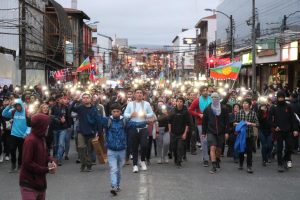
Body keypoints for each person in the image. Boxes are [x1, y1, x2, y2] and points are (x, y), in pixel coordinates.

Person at [19, 113, 57, 200]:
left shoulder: (42, 138)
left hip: (40, 183)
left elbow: (46, 154)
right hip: (28, 183)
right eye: (46, 125)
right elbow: (27, 163)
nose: (48, 127)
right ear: (40, 126)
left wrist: (51, 161)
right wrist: (46, 169)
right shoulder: (30, 140)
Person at [124, 88, 154, 173]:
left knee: (144, 145)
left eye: (141, 93)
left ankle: (143, 161)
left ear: (143, 95)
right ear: (134, 94)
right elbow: (125, 114)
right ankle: (135, 165)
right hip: (133, 127)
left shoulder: (146, 104)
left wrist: (146, 114)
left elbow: (151, 113)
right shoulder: (130, 104)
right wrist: (130, 114)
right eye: (137, 93)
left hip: (143, 127)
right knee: (134, 147)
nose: (139, 94)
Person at [100, 103, 127, 196]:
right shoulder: (107, 120)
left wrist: (147, 121)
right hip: (111, 149)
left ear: (120, 112)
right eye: (114, 111)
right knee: (113, 169)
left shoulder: (125, 120)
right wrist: (93, 106)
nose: (115, 113)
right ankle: (113, 186)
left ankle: (118, 185)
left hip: (122, 149)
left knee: (119, 170)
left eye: (117, 111)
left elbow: (134, 125)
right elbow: (97, 118)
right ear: (111, 112)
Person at [269, 91, 299, 172]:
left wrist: (295, 129)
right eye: (279, 97)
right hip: (279, 131)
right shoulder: (273, 107)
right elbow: (269, 120)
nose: (281, 99)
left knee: (290, 147)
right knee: (279, 148)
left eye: (282, 97)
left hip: (288, 130)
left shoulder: (288, 106)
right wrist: (275, 127)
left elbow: (293, 119)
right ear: (277, 97)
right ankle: (280, 164)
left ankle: (284, 159)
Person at [71, 93, 101, 172]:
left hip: (91, 132)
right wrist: (75, 100)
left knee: (90, 150)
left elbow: (98, 121)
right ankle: (84, 163)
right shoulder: (80, 107)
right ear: (82, 99)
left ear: (90, 99)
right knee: (81, 148)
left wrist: (98, 132)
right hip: (81, 131)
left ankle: (88, 165)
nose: (85, 99)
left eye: (87, 98)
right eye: (84, 98)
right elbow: (70, 108)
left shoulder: (94, 109)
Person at [202, 93, 229, 173]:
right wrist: (204, 132)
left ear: (219, 98)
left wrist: (227, 132)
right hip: (211, 131)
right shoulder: (208, 109)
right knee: (212, 147)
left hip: (221, 132)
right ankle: (213, 165)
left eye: (216, 97)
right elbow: (204, 122)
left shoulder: (224, 108)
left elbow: (227, 121)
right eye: (213, 97)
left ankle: (217, 160)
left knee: (219, 148)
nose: (214, 99)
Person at [2, 98, 30, 173]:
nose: (17, 107)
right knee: (12, 149)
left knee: (21, 152)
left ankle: (20, 166)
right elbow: (3, 114)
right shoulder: (13, 111)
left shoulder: (26, 112)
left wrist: (26, 133)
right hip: (14, 134)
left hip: (23, 136)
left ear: (21, 105)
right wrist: (9, 106)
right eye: (16, 106)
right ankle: (13, 165)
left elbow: (30, 125)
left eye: (18, 106)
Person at [188, 86, 212, 167]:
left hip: (211, 123)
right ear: (201, 92)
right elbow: (190, 110)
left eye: (207, 90)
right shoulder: (197, 100)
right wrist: (198, 114)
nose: (205, 92)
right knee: (204, 141)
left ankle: (211, 156)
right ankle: (205, 159)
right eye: (204, 91)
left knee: (210, 141)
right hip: (201, 123)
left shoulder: (211, 99)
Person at [235, 99, 259, 174]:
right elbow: (234, 123)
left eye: (246, 103)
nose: (244, 105)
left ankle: (249, 166)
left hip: (250, 134)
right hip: (241, 135)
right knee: (241, 150)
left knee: (249, 151)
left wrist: (250, 123)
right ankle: (241, 163)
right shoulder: (239, 113)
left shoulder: (253, 113)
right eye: (243, 103)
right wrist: (240, 124)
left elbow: (257, 124)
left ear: (249, 105)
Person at [168, 97, 190, 168]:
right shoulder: (172, 111)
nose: (179, 103)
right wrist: (170, 131)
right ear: (176, 102)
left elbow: (187, 123)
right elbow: (169, 122)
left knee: (180, 147)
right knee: (174, 147)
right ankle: (176, 158)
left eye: (181, 101)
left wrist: (185, 133)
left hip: (181, 133)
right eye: (178, 101)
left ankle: (179, 161)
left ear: (183, 103)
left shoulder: (185, 112)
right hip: (173, 132)